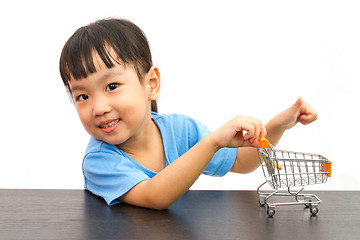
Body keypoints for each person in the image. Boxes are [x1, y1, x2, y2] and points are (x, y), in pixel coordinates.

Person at [59, 18, 318, 210]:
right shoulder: (98, 161)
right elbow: (155, 196)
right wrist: (213, 142)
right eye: (83, 96)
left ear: (151, 84)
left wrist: (278, 126)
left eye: (111, 86)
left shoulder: (181, 130)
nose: (99, 107)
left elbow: (242, 161)